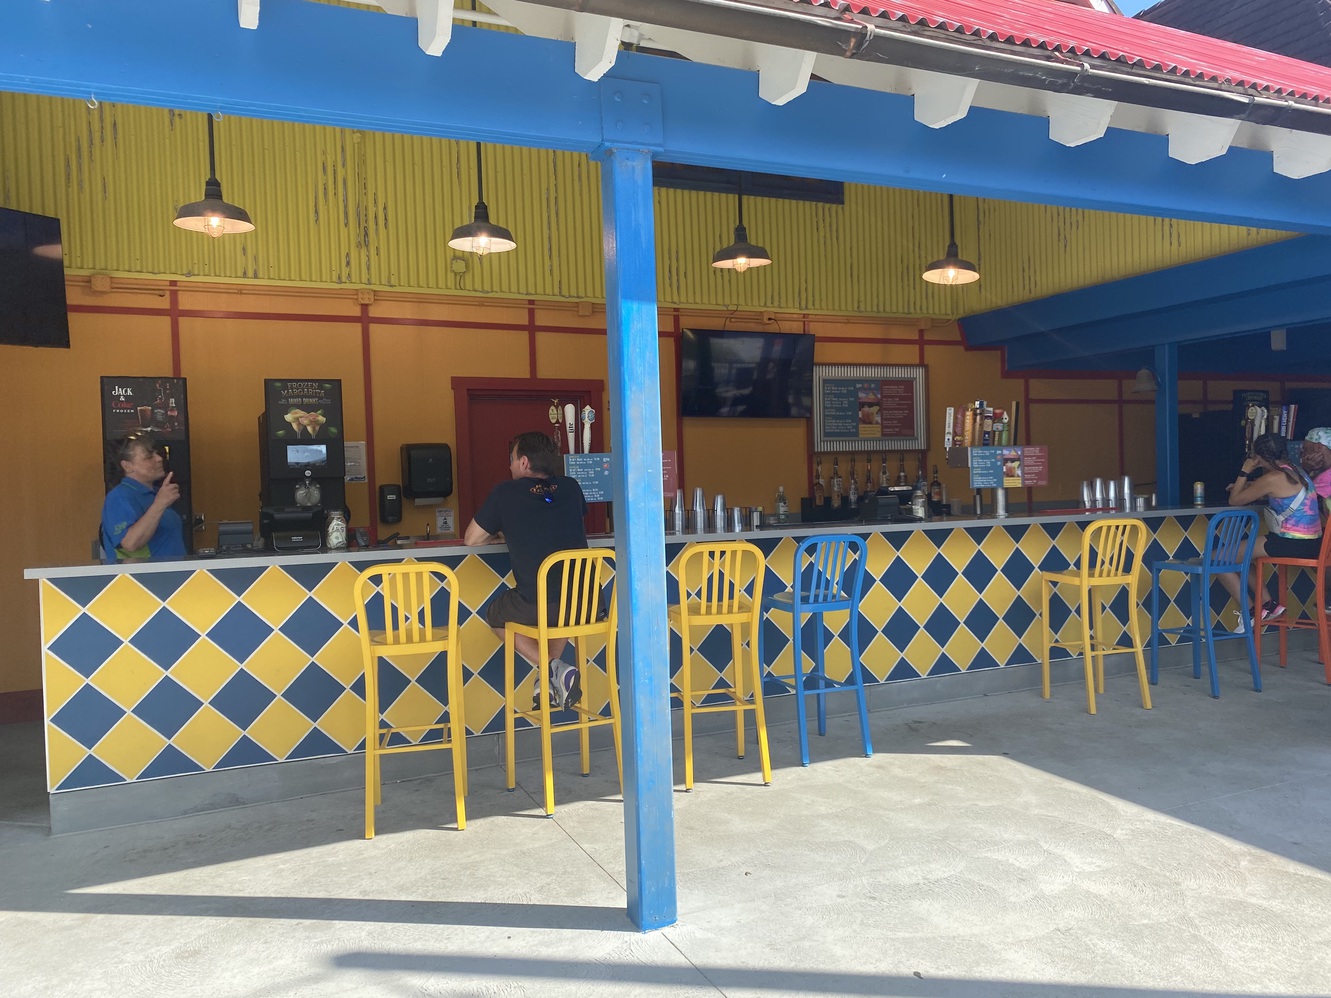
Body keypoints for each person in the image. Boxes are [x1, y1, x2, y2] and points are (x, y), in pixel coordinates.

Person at [463, 431, 588, 710]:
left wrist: (501, 534)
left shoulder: (505, 492)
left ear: (523, 462)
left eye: (511, 460)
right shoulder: (571, 487)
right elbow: (561, 521)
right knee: (560, 607)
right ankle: (550, 678)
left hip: (540, 603)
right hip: (585, 603)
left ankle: (553, 668)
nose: (509, 466)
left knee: (496, 614)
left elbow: (471, 539)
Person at [1221, 432, 1321, 628]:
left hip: (1290, 543)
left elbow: (1234, 500)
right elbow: (1275, 488)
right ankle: (1269, 605)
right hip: (1313, 543)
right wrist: (1250, 484)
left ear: (1258, 457)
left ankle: (1252, 612)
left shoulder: (1272, 477)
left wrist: (1245, 470)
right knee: (1241, 557)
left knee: (1219, 558)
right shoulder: (1298, 471)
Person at [101, 434, 185, 561]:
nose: (159, 459)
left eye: (157, 454)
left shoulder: (156, 494)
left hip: (174, 574)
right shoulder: (119, 497)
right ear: (127, 466)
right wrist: (159, 504)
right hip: (144, 578)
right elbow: (130, 543)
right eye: (149, 457)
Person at [1300, 426, 1331, 516]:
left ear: (1318, 447)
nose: (1304, 454)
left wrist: (1306, 469)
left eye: (1305, 449)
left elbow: (1297, 497)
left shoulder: (1326, 478)